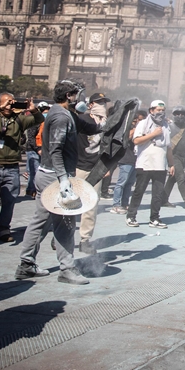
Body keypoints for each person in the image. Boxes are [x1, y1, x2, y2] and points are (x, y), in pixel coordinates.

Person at [14, 80, 93, 284]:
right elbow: (56, 150)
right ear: (69, 95)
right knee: (66, 224)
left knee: (40, 222)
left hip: (48, 174)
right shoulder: (60, 116)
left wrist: (118, 119)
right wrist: (64, 179)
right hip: (55, 177)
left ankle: (26, 264)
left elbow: (90, 127)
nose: (80, 97)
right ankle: (67, 269)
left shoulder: (66, 114)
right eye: (78, 93)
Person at [0, 93, 44, 242]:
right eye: (7, 102)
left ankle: (3, 228)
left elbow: (39, 120)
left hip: (11, 167)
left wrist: (33, 109)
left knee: (9, 200)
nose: (10, 104)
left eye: (13, 102)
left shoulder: (19, 119)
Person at [72, 92, 111, 254]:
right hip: (79, 166)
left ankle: (85, 239)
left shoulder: (107, 124)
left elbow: (107, 146)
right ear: (90, 105)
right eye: (98, 102)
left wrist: (106, 166)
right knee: (70, 204)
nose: (101, 105)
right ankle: (60, 236)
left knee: (91, 206)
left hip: (96, 169)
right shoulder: (83, 120)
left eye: (104, 102)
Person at [126, 100, 172, 229]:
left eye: (163, 110)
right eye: (158, 110)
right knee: (139, 192)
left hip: (160, 165)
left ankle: (155, 218)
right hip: (145, 164)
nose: (161, 113)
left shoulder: (166, 125)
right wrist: (153, 134)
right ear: (151, 111)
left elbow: (168, 147)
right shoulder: (143, 124)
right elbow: (136, 140)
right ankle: (131, 216)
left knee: (157, 194)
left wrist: (171, 164)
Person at [109, 110, 146, 215]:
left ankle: (125, 203)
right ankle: (116, 205)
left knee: (129, 184)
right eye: (135, 120)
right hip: (125, 159)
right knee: (121, 183)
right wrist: (135, 129)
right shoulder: (126, 129)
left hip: (136, 160)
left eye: (140, 120)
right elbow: (126, 139)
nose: (137, 122)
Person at [23, 101, 51, 199]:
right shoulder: (36, 122)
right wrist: (37, 148)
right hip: (33, 150)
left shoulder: (48, 122)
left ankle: (33, 190)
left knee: (37, 172)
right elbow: (31, 137)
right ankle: (32, 191)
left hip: (43, 150)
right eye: (45, 111)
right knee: (34, 172)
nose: (47, 113)